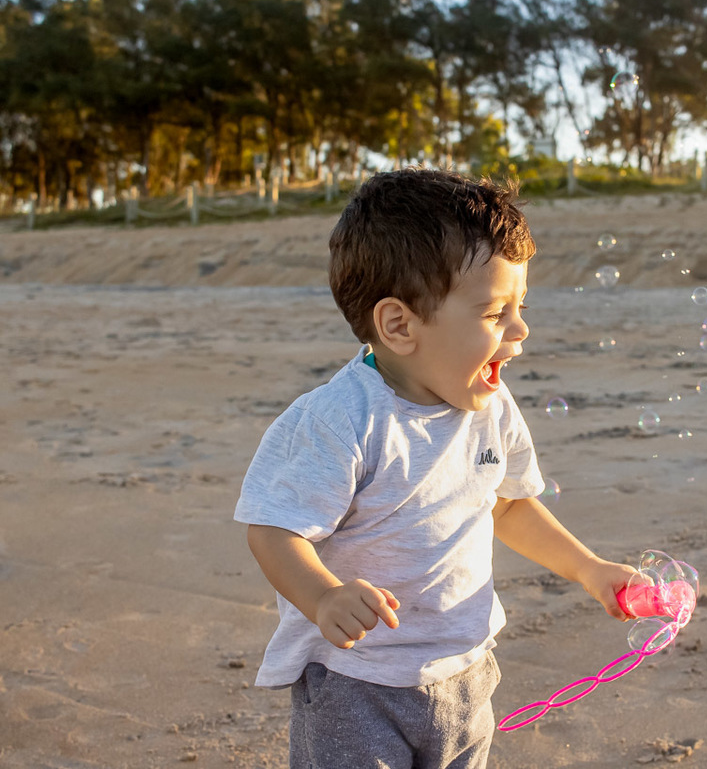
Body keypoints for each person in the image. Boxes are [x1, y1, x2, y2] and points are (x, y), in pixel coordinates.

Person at [235, 168, 637, 768]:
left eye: (519, 306)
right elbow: (274, 529)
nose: (520, 331)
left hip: (467, 668)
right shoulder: (339, 420)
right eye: (495, 313)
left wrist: (590, 568)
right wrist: (323, 597)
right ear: (400, 325)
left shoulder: (491, 408)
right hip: (358, 682)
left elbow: (507, 504)